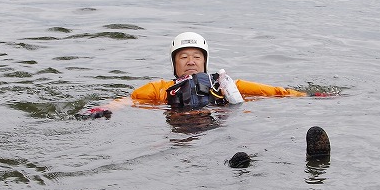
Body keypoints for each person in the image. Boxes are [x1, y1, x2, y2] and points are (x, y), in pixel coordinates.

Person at [79, 31, 307, 118]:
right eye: (183, 57)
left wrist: (308, 96)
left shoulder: (225, 86)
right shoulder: (159, 89)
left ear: (205, 62)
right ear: (174, 63)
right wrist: (102, 108)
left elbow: (273, 93)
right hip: (178, 133)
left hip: (215, 127)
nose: (190, 62)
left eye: (197, 57)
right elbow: (128, 100)